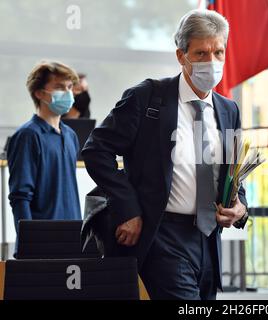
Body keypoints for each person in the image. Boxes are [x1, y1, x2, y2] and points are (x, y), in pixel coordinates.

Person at [82, 9, 248, 300]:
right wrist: (128, 208)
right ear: (181, 56)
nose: (212, 62)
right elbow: (97, 150)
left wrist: (241, 207)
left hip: (209, 240)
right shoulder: (147, 97)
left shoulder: (228, 110)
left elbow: (231, 173)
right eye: (201, 53)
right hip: (163, 235)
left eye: (218, 52)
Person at [7, 61, 82, 239]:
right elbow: (20, 197)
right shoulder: (28, 135)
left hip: (72, 238)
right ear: (39, 93)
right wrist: (30, 242)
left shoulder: (70, 135)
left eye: (70, 87)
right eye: (59, 87)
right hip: (41, 243)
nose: (68, 93)